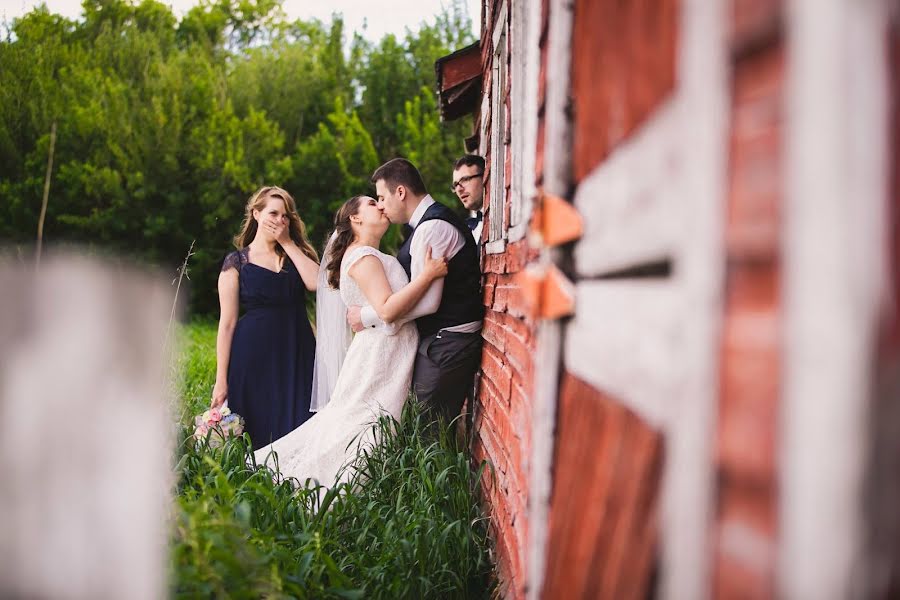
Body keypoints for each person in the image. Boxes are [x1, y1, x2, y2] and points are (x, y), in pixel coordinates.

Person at [253, 195, 448, 488]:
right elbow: (388, 310)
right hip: (382, 352)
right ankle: (325, 487)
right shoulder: (363, 257)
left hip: (381, 350)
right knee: (363, 427)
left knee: (358, 423)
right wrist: (428, 276)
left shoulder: (366, 254)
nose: (381, 206)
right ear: (355, 219)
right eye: (372, 203)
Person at [349, 158, 484, 427]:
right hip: (440, 339)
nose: (382, 206)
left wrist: (369, 316)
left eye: (381, 197)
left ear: (401, 192)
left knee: (425, 428)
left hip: (449, 341)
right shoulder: (423, 226)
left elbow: (429, 303)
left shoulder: (432, 228)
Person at [211, 186, 320, 447]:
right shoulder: (236, 263)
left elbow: (317, 283)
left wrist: (286, 242)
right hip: (254, 354)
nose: (279, 221)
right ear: (257, 214)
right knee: (260, 427)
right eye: (273, 213)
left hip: (298, 350)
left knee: (302, 422)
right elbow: (226, 325)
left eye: (285, 216)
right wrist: (221, 380)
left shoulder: (295, 254)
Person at [451, 154, 485, 243]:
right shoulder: (466, 228)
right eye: (455, 185)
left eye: (465, 180)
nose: (458, 189)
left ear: (484, 178)